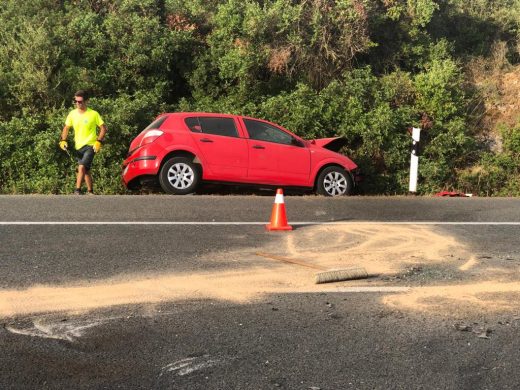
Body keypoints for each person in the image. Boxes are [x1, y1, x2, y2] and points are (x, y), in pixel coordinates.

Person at [59, 90, 107, 195]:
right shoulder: (72, 114)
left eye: (80, 101)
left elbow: (103, 128)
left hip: (90, 145)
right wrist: (63, 140)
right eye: (76, 101)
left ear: (86, 101)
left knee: (81, 167)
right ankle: (90, 191)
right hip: (78, 146)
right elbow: (66, 128)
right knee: (86, 170)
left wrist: (98, 142)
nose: (77, 103)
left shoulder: (93, 114)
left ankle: (77, 190)